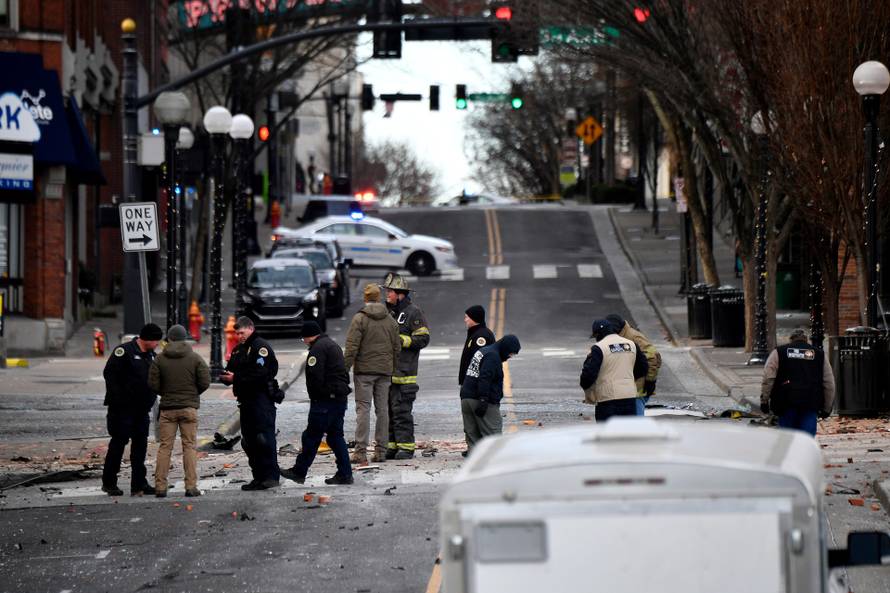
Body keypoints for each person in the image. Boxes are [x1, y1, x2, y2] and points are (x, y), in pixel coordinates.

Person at [281, 321, 354, 485]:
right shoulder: (332, 345)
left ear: (308, 336)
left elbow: (315, 378)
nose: (304, 342)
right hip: (339, 398)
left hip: (325, 402)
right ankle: (345, 473)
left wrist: (316, 398)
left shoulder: (317, 350)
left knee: (311, 437)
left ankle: (299, 471)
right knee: (335, 437)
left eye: (304, 339)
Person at [148, 324, 210, 498]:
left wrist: (165, 393)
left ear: (169, 339)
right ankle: (190, 486)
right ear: (185, 338)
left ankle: (160, 487)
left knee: (165, 448)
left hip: (168, 409)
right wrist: (192, 394)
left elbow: (153, 384)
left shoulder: (159, 359)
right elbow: (205, 381)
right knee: (189, 447)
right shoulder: (195, 358)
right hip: (188, 408)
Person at [101, 323, 163, 497]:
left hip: (141, 410)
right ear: (147, 339)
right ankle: (109, 482)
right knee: (118, 444)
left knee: (140, 447)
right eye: (156, 340)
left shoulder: (151, 355)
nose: (158, 344)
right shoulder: (124, 351)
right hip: (121, 409)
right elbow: (110, 375)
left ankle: (139, 484)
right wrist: (121, 398)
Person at [220, 316, 281, 490]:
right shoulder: (239, 349)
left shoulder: (260, 347)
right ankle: (258, 477)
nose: (239, 336)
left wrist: (236, 378)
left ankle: (271, 476)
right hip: (245, 401)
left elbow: (260, 374)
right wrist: (226, 377)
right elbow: (232, 369)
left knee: (264, 439)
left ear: (250, 329)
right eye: (237, 333)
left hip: (261, 400)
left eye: (242, 332)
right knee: (249, 442)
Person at [343, 283, 400, 465]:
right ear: (379, 298)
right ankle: (381, 451)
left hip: (364, 372)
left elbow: (352, 347)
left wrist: (345, 369)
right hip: (384, 371)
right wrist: (391, 366)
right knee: (382, 410)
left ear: (365, 298)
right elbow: (397, 347)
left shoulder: (360, 319)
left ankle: (360, 452)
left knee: (363, 410)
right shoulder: (390, 319)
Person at [382, 273, 430, 459]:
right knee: (388, 412)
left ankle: (406, 447)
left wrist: (402, 340)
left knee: (402, 412)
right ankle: (392, 445)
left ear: (400, 293)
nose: (387, 294)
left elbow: (423, 338)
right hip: (387, 373)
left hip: (405, 374)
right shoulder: (387, 312)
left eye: (390, 291)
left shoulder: (413, 313)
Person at [760, 328, 835, 436]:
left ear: (790, 339)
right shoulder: (819, 355)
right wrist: (827, 408)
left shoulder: (778, 352)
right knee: (807, 439)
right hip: (810, 402)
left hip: (785, 402)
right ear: (806, 340)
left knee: (786, 439)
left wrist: (764, 401)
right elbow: (829, 383)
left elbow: (768, 378)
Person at [460, 335, 521, 450]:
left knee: (473, 435)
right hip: (481, 400)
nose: (509, 357)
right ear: (505, 348)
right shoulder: (492, 356)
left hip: (467, 398)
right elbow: (485, 378)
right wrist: (483, 399)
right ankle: (493, 461)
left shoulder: (484, 351)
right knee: (494, 435)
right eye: (510, 353)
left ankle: (475, 459)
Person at [580, 319, 649, 421]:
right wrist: (628, 379)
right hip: (629, 396)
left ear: (598, 334)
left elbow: (588, 376)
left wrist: (587, 388)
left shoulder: (598, 348)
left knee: (607, 433)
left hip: (607, 399)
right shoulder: (631, 344)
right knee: (628, 432)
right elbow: (643, 367)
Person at [606, 313, 662, 415]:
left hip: (638, 387)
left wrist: (650, 381)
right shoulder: (617, 336)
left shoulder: (634, 337)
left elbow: (652, 356)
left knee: (635, 420)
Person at [458, 305, 496, 387]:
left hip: (475, 385)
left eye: (466, 317)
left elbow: (479, 363)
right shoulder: (475, 333)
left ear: (473, 318)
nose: (465, 320)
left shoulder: (481, 336)